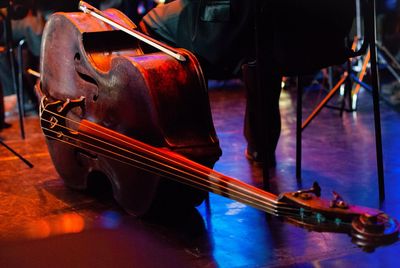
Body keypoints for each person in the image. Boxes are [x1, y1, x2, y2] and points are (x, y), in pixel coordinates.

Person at [140, 0, 282, 167]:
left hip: (226, 22)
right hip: (282, 23)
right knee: (262, 49)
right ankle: (261, 146)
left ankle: (192, 144)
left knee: (150, 26)